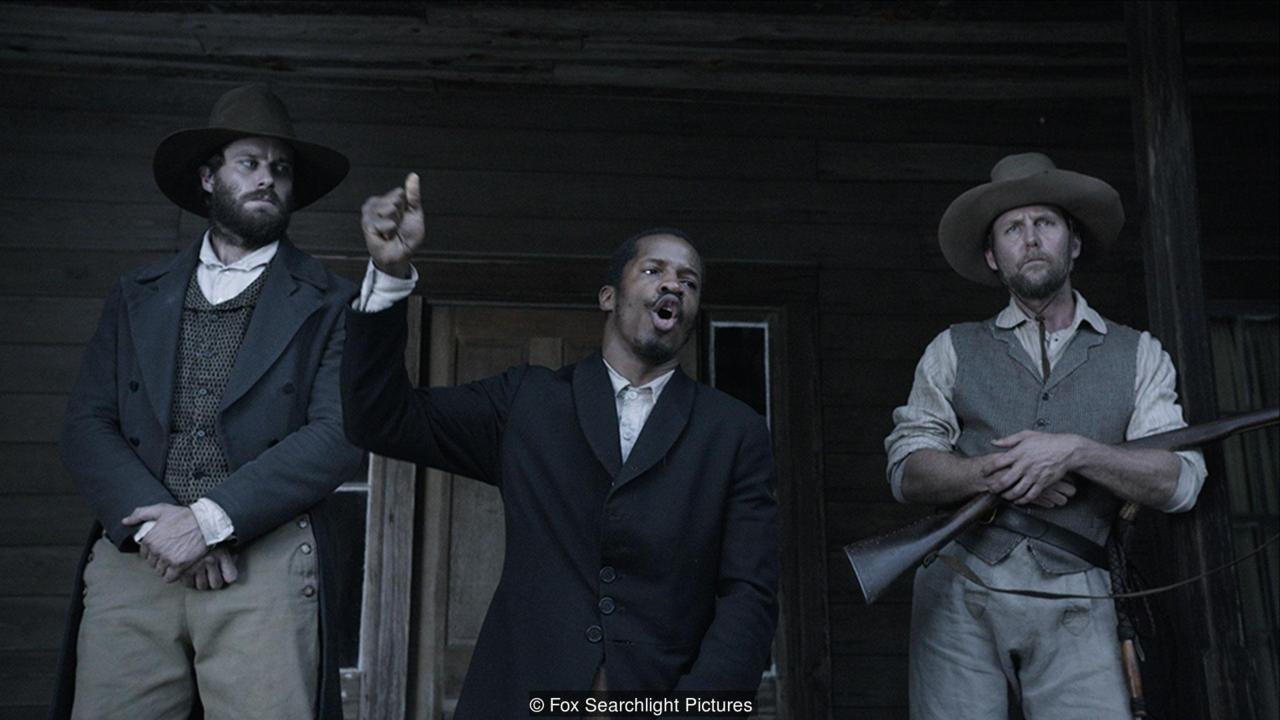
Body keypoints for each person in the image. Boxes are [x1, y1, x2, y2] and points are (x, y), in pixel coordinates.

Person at [341, 173, 779, 718]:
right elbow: (379, 419)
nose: (674, 285)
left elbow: (749, 595)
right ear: (608, 297)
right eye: (654, 271)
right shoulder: (527, 400)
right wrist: (388, 273)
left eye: (689, 282)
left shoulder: (734, 432)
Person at [53, 84, 363, 720]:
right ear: (207, 176)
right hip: (138, 557)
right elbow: (87, 424)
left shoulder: (333, 300)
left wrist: (210, 521)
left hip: (265, 561)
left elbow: (339, 433)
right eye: (249, 163)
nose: (267, 179)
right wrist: (163, 530)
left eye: (281, 168)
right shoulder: (136, 292)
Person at [884, 152, 1207, 719]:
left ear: (1073, 242)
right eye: (1012, 228)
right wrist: (1001, 473)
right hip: (961, 586)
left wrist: (1075, 453)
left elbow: (1179, 483)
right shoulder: (951, 349)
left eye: (1045, 223)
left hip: (1080, 593)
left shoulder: (1139, 353)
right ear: (993, 255)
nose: (1030, 239)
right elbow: (907, 470)